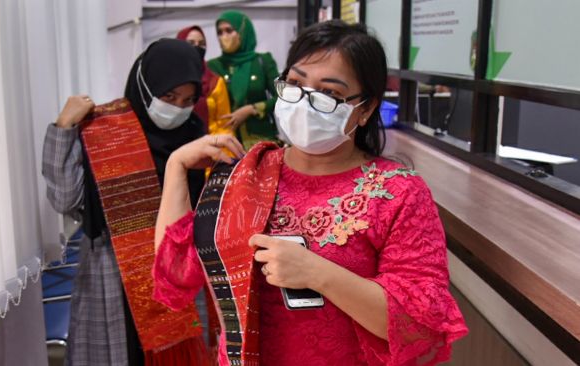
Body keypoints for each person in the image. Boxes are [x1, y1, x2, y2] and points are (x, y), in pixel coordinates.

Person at [152, 20, 468, 366]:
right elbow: (177, 272)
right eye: (296, 83)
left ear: (365, 109)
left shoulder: (397, 193)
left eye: (329, 93)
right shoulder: (247, 174)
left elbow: (418, 323)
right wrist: (176, 168)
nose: (304, 101)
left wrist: (317, 273)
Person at [42, 38, 209, 366]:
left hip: (176, 278)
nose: (177, 108)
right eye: (168, 97)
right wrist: (64, 127)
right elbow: (65, 200)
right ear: (145, 87)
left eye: (188, 100)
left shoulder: (195, 135)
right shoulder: (106, 132)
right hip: (113, 276)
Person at [207, 10, 280, 150]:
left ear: (243, 32)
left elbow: (282, 98)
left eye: (229, 30)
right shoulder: (214, 66)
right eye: (220, 32)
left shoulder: (262, 61)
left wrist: (251, 109)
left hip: (260, 140)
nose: (224, 36)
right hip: (225, 142)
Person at [177, 25, 233, 137]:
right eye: (191, 43)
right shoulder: (169, 80)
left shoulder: (215, 82)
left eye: (201, 44)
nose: (197, 47)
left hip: (211, 147)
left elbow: (224, 126)